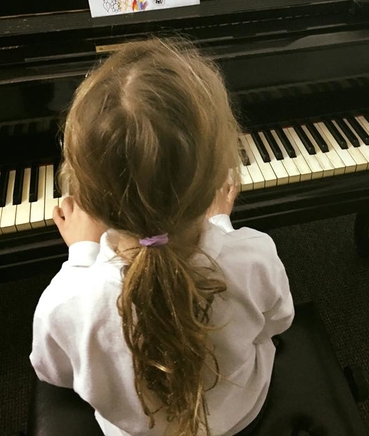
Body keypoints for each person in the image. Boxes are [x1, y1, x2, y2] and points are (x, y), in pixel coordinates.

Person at [30, 37, 294, 436]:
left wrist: (81, 255)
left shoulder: (66, 301)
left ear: (87, 196)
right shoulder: (254, 256)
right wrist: (221, 227)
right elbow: (277, 323)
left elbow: (55, 373)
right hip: (240, 415)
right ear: (215, 179)